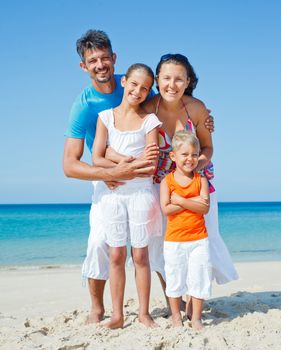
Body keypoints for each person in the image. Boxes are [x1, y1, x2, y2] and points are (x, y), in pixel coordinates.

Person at [63, 29, 214, 324]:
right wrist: (111, 170)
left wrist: (204, 118)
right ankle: (98, 307)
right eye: (93, 61)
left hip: (141, 179)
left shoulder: (136, 84)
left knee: (152, 243)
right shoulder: (84, 105)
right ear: (84, 66)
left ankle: (172, 301)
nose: (100, 65)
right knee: (99, 244)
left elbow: (173, 99)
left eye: (105, 58)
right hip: (106, 176)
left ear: (114, 59)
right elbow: (70, 164)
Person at [143, 54, 238, 316]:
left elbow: (207, 147)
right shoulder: (147, 107)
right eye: (166, 78)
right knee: (161, 244)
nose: (171, 84)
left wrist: (191, 172)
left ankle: (195, 303)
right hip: (159, 185)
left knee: (204, 240)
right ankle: (176, 301)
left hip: (197, 183)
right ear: (157, 80)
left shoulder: (196, 108)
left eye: (178, 79)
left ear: (188, 82)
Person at [91, 63, 162, 329]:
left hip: (141, 194)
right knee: (116, 255)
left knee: (141, 256)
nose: (138, 91)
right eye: (134, 84)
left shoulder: (150, 121)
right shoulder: (105, 117)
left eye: (145, 88)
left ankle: (144, 313)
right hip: (113, 194)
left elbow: (151, 164)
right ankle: (117, 315)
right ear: (124, 82)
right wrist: (120, 161)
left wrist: (116, 157)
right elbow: (96, 156)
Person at [160, 130, 211, 330]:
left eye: (194, 154)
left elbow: (204, 208)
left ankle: (196, 317)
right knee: (174, 278)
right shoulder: (167, 181)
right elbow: (166, 209)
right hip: (174, 241)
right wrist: (194, 201)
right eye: (185, 154)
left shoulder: (201, 180)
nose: (190, 159)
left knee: (199, 277)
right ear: (173, 156)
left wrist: (180, 200)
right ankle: (176, 318)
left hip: (199, 240)